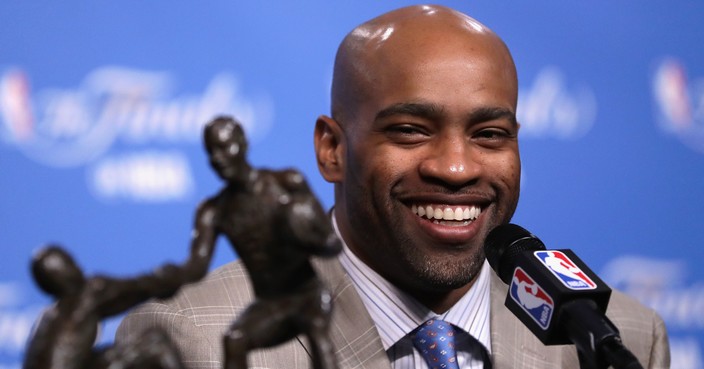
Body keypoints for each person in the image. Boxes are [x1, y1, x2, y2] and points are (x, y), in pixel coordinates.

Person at [116, 5, 670, 369]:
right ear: (332, 149)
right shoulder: (191, 342)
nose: (456, 168)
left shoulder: (617, 337)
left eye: (489, 134)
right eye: (410, 131)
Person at [180, 116, 342, 369]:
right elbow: (194, 268)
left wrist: (304, 235)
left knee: (317, 332)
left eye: (225, 147)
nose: (219, 158)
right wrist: (144, 285)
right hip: (270, 302)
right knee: (234, 339)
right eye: (212, 152)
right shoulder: (214, 211)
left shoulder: (287, 184)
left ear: (242, 144)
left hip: (308, 294)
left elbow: (331, 244)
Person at [25, 245, 187, 369]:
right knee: (155, 344)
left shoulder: (44, 322)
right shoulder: (90, 294)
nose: (79, 267)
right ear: (63, 274)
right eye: (72, 263)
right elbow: (187, 273)